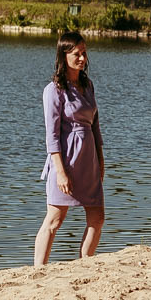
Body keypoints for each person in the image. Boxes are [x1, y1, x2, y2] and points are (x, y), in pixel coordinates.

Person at [35, 31, 105, 265]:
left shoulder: (88, 85)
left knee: (97, 217)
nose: (83, 58)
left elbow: (95, 126)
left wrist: (100, 159)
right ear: (64, 56)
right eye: (77, 54)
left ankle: (85, 264)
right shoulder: (54, 90)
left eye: (84, 53)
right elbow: (52, 136)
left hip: (88, 160)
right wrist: (61, 172)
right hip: (66, 161)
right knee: (55, 218)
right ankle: (38, 270)